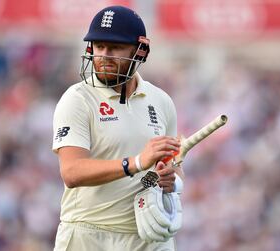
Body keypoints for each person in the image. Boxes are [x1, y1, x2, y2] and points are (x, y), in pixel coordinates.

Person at [52, 5, 184, 251]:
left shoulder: (161, 101)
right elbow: (71, 171)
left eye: (115, 47)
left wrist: (172, 181)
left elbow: (175, 169)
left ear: (139, 51)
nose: (104, 55)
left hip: (147, 237)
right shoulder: (78, 99)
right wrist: (136, 162)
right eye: (99, 46)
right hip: (88, 234)